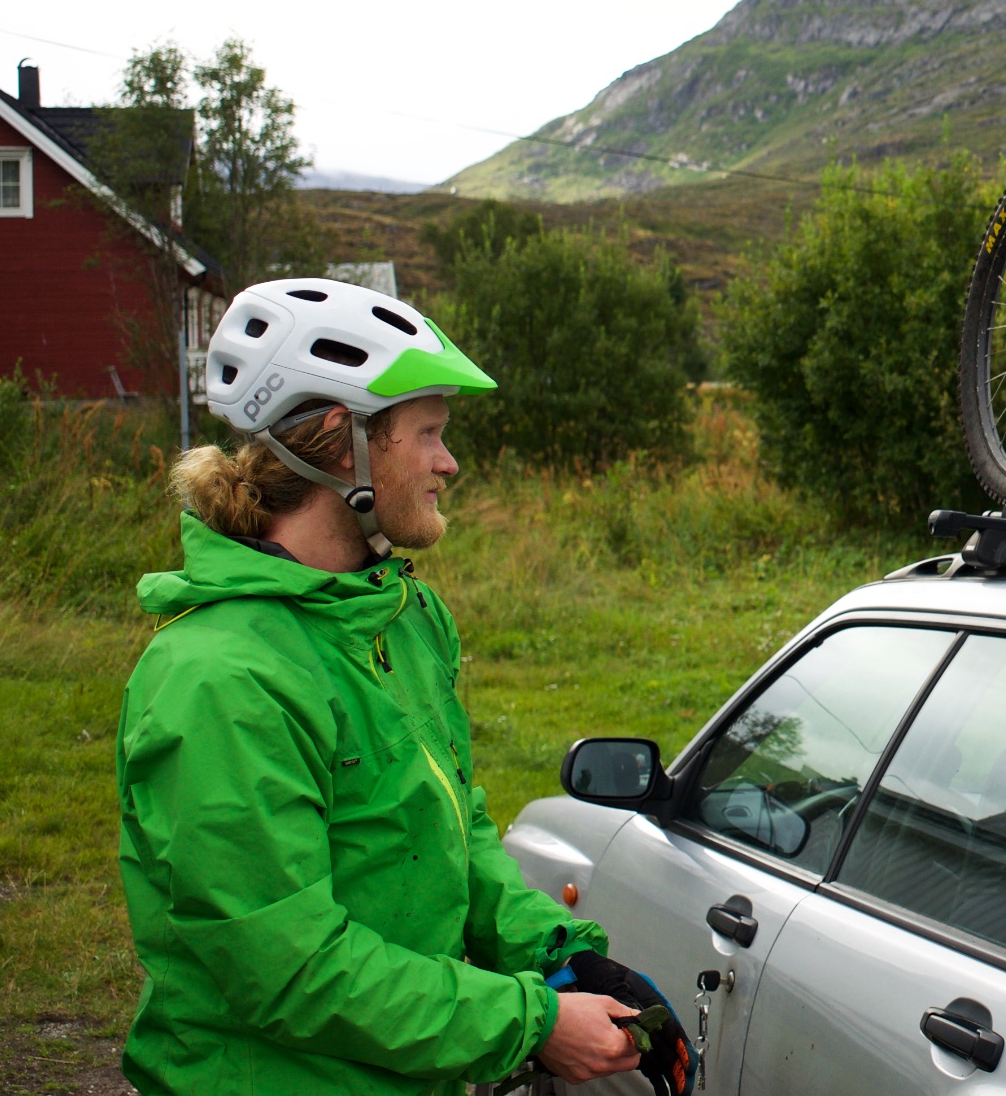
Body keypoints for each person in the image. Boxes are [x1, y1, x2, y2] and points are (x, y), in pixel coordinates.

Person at [115, 278, 658, 1095]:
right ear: (343, 445)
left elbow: (451, 828)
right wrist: (530, 1022)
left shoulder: (401, 617)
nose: (450, 462)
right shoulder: (221, 679)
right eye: (429, 433)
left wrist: (559, 955)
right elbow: (289, 969)